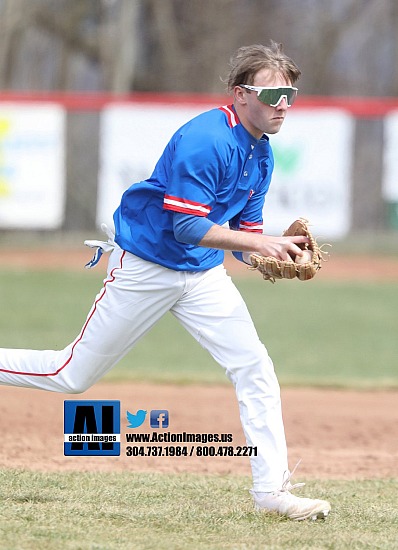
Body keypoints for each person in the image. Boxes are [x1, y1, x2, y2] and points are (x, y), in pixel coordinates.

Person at [0, 41, 330, 521]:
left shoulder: (261, 154)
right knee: (69, 375)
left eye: (291, 95)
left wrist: (274, 255)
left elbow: (245, 238)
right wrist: (261, 246)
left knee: (254, 367)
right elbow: (188, 228)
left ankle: (271, 491)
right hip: (148, 266)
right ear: (241, 95)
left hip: (201, 275)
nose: (283, 105)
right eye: (273, 93)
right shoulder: (207, 139)